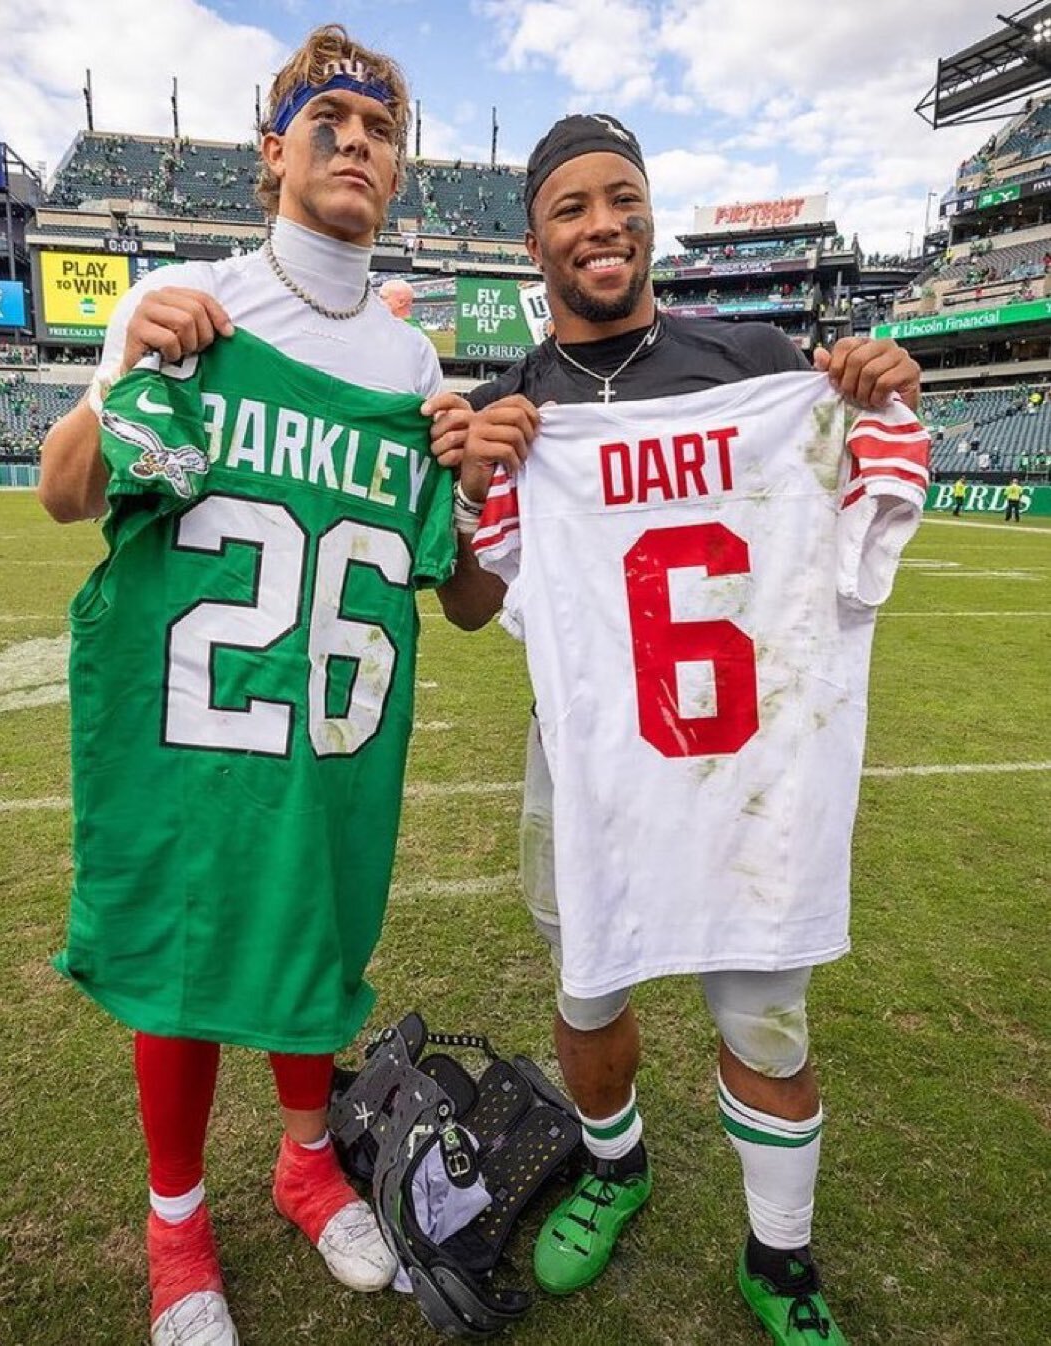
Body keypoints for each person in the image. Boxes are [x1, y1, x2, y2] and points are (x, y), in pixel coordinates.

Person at [426, 113, 924, 1346]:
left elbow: (847, 474)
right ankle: (615, 1163)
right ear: (533, 241)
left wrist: (873, 392)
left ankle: (779, 1253)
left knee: (764, 1013)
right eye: (572, 206)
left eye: (623, 198)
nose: (603, 225)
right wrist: (479, 484)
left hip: (748, 761)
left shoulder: (755, 363)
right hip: (588, 759)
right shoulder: (510, 408)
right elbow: (471, 605)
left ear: (648, 215)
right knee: (587, 986)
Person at [38, 25, 461, 1346]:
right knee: (183, 953)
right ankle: (174, 1223)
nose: (355, 143)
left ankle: (303, 1162)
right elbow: (63, 491)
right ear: (273, 152)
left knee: (311, 934)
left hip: (328, 730)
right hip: (194, 718)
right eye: (329, 120)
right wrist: (125, 369)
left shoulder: (411, 369)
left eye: (380, 131)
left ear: (397, 169)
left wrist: (469, 460)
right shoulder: (188, 303)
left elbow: (458, 580)